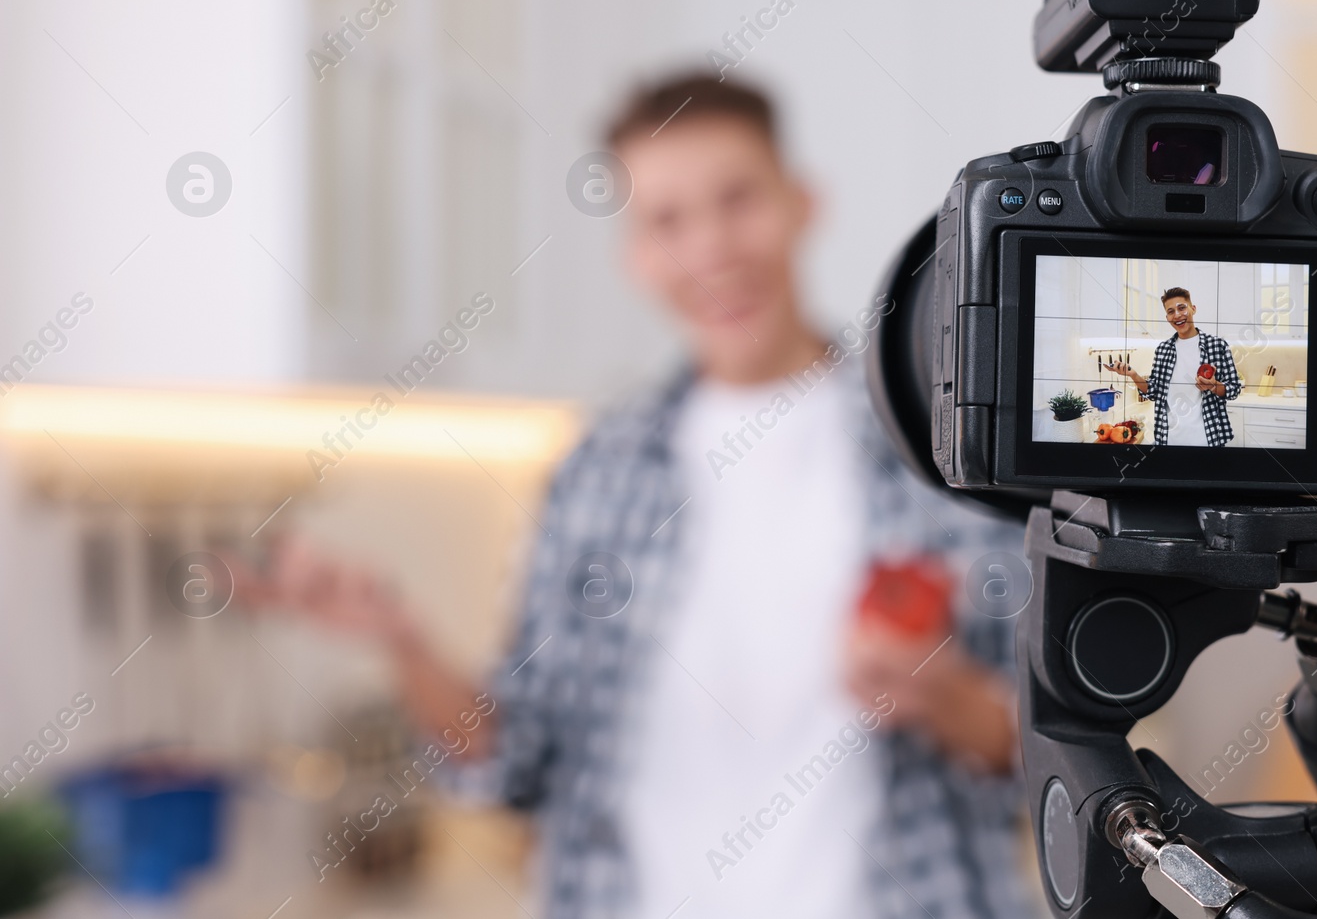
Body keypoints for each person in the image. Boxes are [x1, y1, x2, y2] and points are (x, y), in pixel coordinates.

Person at [252, 73, 1038, 919]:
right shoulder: (597, 468)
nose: (711, 248)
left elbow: (1047, 751)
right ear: (635, 254)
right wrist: (402, 642)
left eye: (738, 199)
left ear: (802, 203)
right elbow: (514, 758)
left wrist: (943, 696)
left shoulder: (940, 441)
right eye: (667, 220)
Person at [1110, 287, 1241, 446]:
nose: (1177, 315)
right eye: (1171, 311)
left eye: (1182, 308)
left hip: (1207, 439)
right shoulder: (1163, 349)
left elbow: (1233, 389)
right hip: (1169, 440)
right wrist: (1133, 375)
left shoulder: (1217, 345)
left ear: (1193, 309)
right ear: (1167, 317)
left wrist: (1214, 386)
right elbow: (1153, 391)